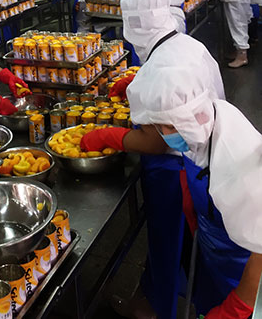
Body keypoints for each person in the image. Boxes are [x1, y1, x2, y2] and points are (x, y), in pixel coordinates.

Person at [81, 0, 225, 319]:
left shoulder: (159, 70)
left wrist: (108, 136)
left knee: (166, 242)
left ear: (132, 27)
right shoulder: (190, 45)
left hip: (174, 172)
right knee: (186, 240)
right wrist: (138, 80)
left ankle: (158, 310)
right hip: (206, 159)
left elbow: (157, 142)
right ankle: (160, 298)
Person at [84, 61, 262, 317]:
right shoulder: (206, 119)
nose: (161, 134)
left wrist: (234, 310)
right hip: (216, 254)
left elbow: (259, 258)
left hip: (242, 271)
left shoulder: (239, 170)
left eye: (164, 127)